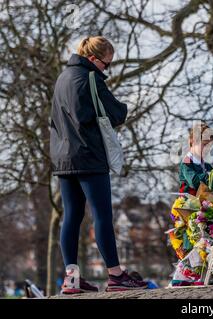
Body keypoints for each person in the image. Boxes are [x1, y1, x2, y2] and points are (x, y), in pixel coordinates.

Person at [50, 36, 147, 294]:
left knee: (71, 215)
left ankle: (71, 278)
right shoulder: (90, 78)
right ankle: (116, 275)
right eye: (107, 64)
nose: (107, 69)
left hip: (62, 158)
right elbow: (116, 113)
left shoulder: (61, 79)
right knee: (101, 214)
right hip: (89, 155)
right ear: (93, 59)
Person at [179, 122, 213, 195]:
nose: (207, 149)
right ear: (194, 141)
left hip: (205, 202)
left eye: (209, 146)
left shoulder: (206, 165)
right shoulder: (187, 162)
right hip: (189, 204)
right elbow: (195, 182)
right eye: (205, 145)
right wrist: (211, 176)